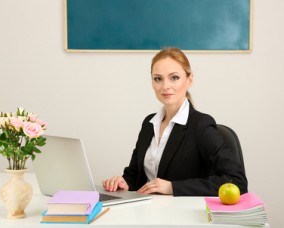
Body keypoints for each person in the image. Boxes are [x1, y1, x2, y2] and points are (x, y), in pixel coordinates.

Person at [102, 47, 248, 196]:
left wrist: (172, 187)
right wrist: (124, 182)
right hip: (145, 210)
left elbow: (236, 181)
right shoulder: (149, 123)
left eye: (174, 78)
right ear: (152, 83)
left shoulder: (201, 125)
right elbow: (135, 175)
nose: (165, 86)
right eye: (158, 78)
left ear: (189, 80)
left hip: (181, 215)